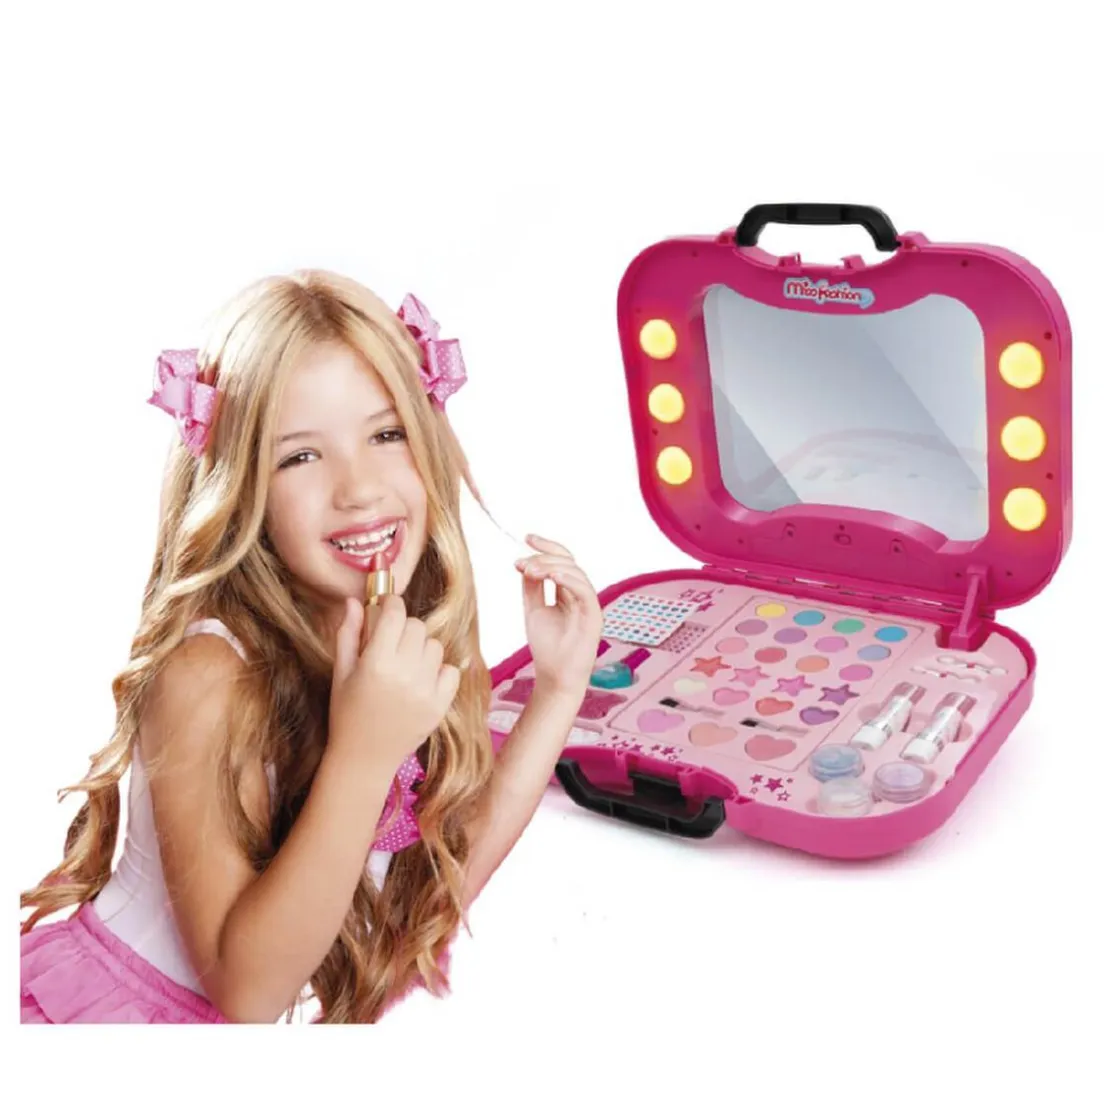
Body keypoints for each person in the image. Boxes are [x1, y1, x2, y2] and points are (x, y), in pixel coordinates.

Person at [20, 271, 603, 1024]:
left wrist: (559, 689)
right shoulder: (207, 672)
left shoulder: (384, 642)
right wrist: (361, 755)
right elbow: (249, 994)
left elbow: (428, 896)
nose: (358, 488)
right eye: (299, 456)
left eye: (386, 434)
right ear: (241, 487)